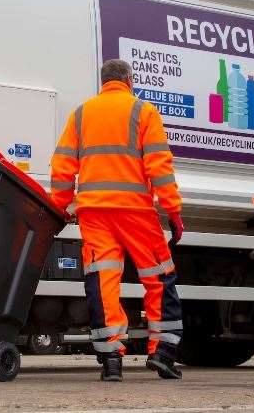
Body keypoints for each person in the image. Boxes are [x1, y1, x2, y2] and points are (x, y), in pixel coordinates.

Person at [50, 59, 185, 381]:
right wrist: (174, 212)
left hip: (95, 213)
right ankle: (163, 354)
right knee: (158, 278)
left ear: (103, 81)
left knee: (103, 282)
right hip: (136, 212)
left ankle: (111, 360)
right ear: (129, 80)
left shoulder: (82, 114)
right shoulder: (144, 112)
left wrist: (60, 205)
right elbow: (159, 167)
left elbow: (63, 165)